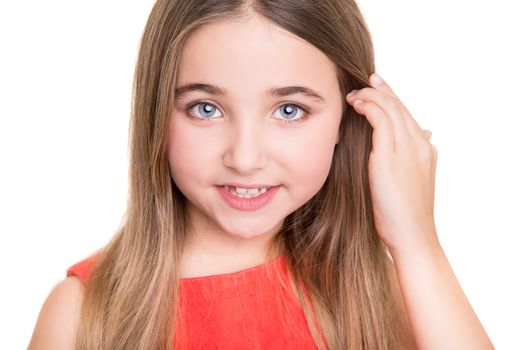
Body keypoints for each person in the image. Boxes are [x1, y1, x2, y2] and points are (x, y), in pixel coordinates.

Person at [28, 0, 495, 349]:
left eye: (289, 110)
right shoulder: (82, 316)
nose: (246, 157)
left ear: (349, 120)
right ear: (157, 116)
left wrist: (417, 244)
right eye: (205, 108)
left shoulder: (381, 291)